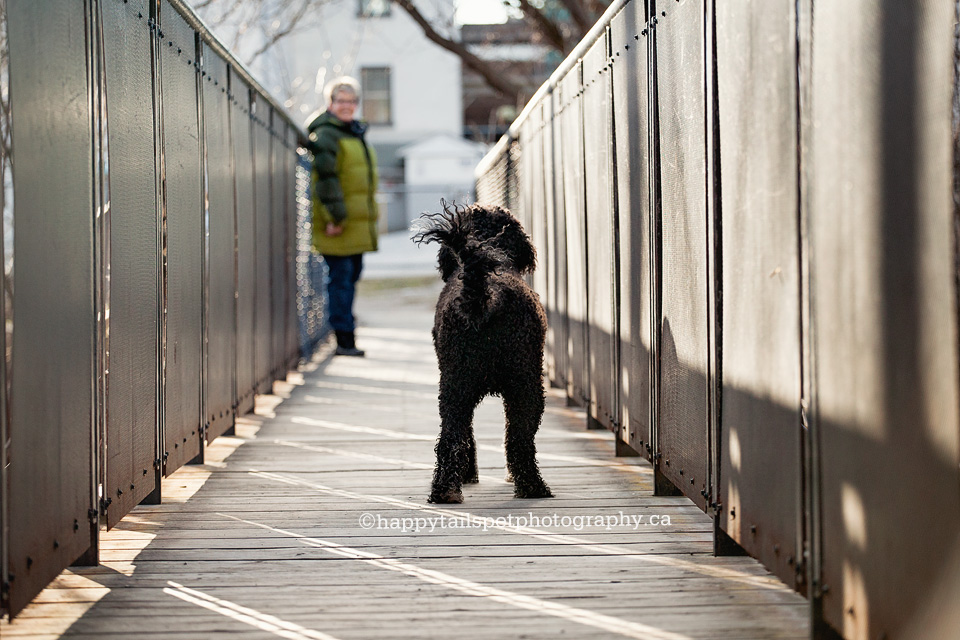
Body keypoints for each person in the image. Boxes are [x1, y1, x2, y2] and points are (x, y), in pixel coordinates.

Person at [305, 76, 379, 357]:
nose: (346, 106)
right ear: (330, 103)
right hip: (338, 222)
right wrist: (335, 218)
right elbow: (326, 179)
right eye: (341, 101)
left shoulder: (352, 132)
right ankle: (344, 340)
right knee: (342, 280)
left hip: (355, 224)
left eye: (351, 101)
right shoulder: (327, 134)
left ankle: (345, 333)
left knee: (351, 277)